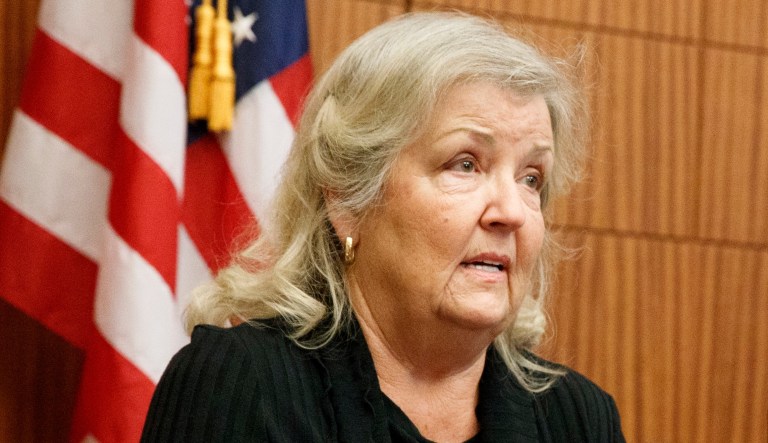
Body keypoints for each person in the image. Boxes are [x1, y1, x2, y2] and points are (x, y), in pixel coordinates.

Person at [142, 11, 624, 442]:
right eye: (465, 165)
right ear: (347, 198)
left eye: (531, 178)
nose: (512, 211)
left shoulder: (578, 417)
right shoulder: (242, 385)